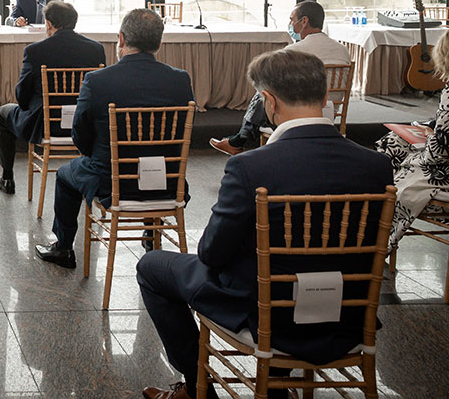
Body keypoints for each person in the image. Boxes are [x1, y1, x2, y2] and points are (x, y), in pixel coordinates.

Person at [138, 49, 393, 399]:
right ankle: (277, 384)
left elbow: (212, 253)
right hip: (347, 314)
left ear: (268, 101)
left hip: (266, 315)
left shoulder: (250, 167)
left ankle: (198, 387)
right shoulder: (376, 166)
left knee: (152, 266)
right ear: (323, 97)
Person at [36, 8, 194, 269]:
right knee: (149, 154)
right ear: (159, 43)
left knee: (65, 175)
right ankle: (151, 234)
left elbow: (80, 134)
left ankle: (63, 247)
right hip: (167, 183)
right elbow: (180, 135)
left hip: (110, 181)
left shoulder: (98, 81)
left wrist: (92, 155)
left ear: (120, 38)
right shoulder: (180, 80)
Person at [0, 0, 105, 194]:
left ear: (49, 24)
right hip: (83, 124)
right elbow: (98, 90)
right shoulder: (95, 49)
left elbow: (22, 96)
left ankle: (7, 177)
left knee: (3, 113)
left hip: (44, 124)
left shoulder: (35, 51)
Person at [210, 1, 350, 155]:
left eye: (292, 19)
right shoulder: (343, 50)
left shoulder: (295, 51)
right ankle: (238, 140)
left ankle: (240, 139)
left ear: (304, 21)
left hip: (298, 111)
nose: (290, 24)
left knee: (264, 91)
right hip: (332, 109)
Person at [377, 32, 449, 251]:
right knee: (394, 141)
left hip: (442, 171)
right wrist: (431, 130)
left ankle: (377, 234)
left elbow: (437, 155)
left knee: (395, 151)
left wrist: (427, 140)